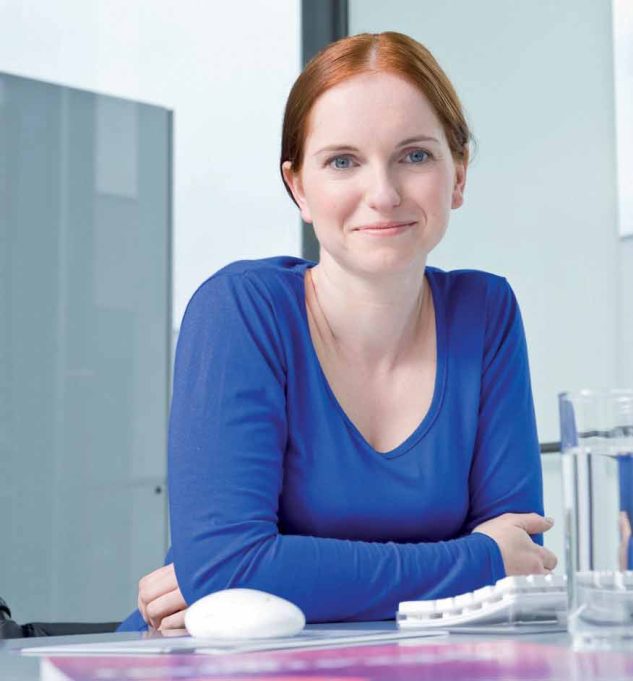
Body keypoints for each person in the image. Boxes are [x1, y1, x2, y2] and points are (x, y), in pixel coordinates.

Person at [119, 31, 557, 632]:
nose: (382, 193)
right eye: (343, 161)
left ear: (457, 175)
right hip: (228, 666)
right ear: (299, 186)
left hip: (422, 667)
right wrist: (474, 561)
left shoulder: (485, 312)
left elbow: (520, 569)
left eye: (415, 155)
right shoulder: (241, 310)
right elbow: (227, 570)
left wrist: (267, 574)